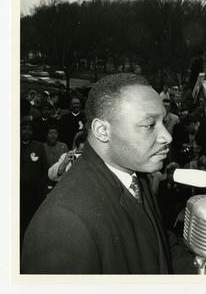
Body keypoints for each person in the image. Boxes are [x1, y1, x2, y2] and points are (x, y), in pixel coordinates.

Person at [21, 73, 194, 274]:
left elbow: (159, 243)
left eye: (164, 122)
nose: (167, 137)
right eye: (149, 125)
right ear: (102, 131)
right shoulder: (62, 224)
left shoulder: (135, 175)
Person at [20, 117, 48, 243]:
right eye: (24, 129)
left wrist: (40, 189)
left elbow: (44, 169)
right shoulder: (11, 144)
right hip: (17, 194)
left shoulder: (38, 146)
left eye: (29, 129)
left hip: (33, 194)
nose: (27, 132)